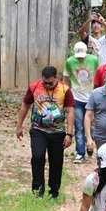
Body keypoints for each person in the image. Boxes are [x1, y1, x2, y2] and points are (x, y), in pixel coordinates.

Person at [15, 66, 75, 198]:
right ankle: (38, 190)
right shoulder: (34, 88)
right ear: (42, 79)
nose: (47, 85)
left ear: (56, 79)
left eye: (51, 83)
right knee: (37, 157)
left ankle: (54, 191)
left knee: (56, 161)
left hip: (58, 132)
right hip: (38, 130)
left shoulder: (65, 90)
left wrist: (69, 134)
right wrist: (19, 126)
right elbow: (25, 105)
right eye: (45, 83)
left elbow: (70, 111)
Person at [63, 41, 100, 163]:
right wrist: (66, 95)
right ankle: (80, 152)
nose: (80, 58)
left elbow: (98, 77)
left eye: (82, 56)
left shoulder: (94, 60)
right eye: (78, 57)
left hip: (91, 97)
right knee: (78, 126)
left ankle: (93, 146)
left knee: (93, 125)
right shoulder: (69, 62)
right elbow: (66, 79)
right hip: (76, 98)